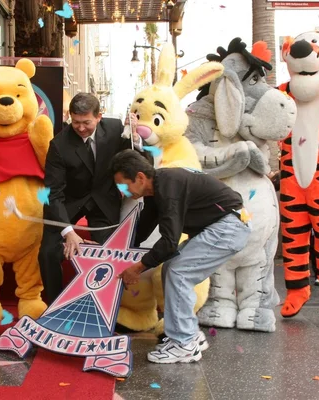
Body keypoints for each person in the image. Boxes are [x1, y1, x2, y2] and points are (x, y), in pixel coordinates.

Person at [112, 150, 251, 364]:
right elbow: (141, 230)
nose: (122, 191)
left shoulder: (168, 187)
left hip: (229, 226)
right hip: (221, 226)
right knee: (171, 268)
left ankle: (184, 344)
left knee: (179, 272)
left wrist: (137, 268)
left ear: (140, 177)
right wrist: (112, 251)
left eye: (123, 185)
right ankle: (189, 335)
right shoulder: (157, 188)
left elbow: (169, 242)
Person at [38, 92, 139, 303]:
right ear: (69, 116)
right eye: (75, 122)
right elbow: (53, 193)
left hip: (103, 200)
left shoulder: (115, 129)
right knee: (47, 253)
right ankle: (53, 305)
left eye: (86, 122)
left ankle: (103, 305)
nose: (81, 128)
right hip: (68, 202)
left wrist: (136, 139)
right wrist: (68, 232)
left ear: (99, 116)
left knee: (109, 253)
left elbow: (136, 163)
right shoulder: (59, 145)